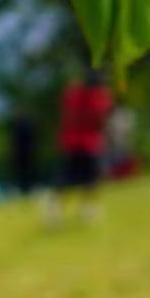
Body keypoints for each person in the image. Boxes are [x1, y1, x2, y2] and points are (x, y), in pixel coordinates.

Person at [50, 68, 112, 223]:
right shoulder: (100, 96)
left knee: (68, 179)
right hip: (85, 143)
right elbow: (100, 121)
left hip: (73, 142)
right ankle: (84, 210)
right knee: (88, 179)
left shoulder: (72, 93)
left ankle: (58, 211)